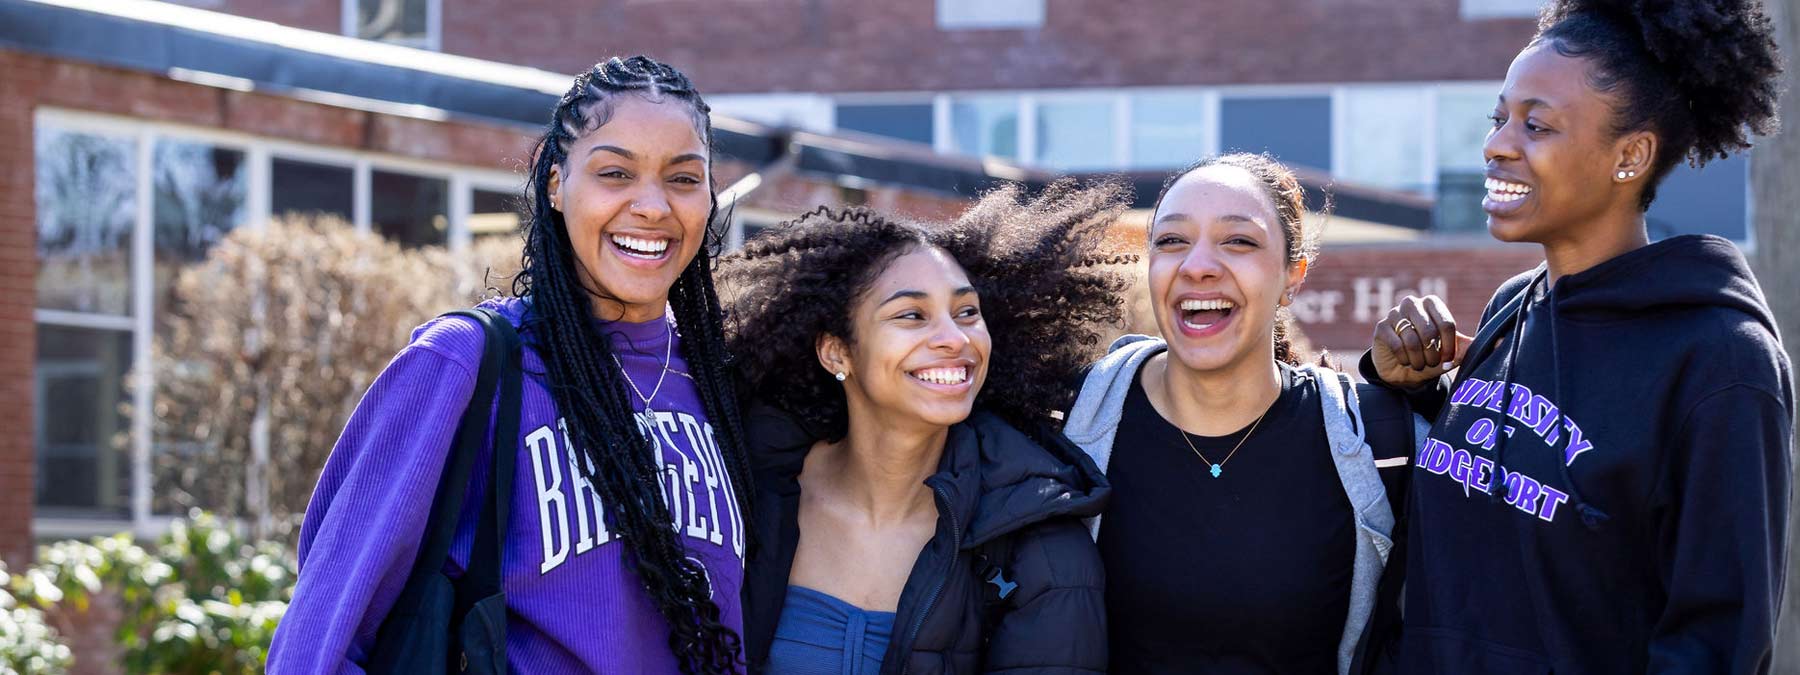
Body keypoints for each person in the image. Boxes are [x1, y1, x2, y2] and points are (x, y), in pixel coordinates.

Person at [269, 56, 755, 674]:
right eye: (615, 173)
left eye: (684, 179)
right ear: (556, 185)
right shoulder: (465, 365)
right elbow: (318, 648)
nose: (653, 206)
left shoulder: (723, 385)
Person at [1363, 1, 1792, 671]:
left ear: (1631, 155)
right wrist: (1414, 390)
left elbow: (1717, 644)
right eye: (1498, 117)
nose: (1497, 143)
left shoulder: (1721, 360)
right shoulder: (1515, 306)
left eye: (1536, 124)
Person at [720, 182, 1127, 674]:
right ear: (837, 352)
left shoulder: (1039, 548)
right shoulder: (745, 493)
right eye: (912, 315)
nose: (954, 339)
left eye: (967, 313)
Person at [1059, 153, 1424, 674]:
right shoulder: (1064, 427)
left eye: (1239, 241)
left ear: (1292, 276)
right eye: (1171, 241)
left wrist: (1434, 391)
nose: (1198, 265)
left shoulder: (1376, 446)